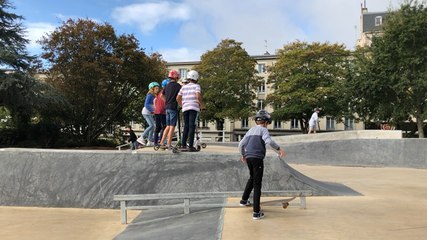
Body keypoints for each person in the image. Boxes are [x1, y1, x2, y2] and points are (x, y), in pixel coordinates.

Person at [238, 110, 286, 220]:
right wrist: (279, 149)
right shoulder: (263, 130)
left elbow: (241, 144)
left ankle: (244, 200)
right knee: (257, 183)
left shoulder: (250, 130)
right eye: (268, 123)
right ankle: (256, 212)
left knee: (252, 177)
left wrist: (243, 155)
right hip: (257, 158)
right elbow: (268, 141)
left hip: (248, 157)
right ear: (265, 122)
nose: (267, 126)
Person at [176, 70, 204, 152]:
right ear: (196, 78)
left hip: (185, 109)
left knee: (186, 126)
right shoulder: (197, 86)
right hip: (193, 108)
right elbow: (198, 96)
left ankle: (183, 145)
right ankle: (190, 146)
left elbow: (177, 98)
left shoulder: (183, 87)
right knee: (192, 126)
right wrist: (202, 105)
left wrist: (182, 105)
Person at [160, 70, 182, 149]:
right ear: (176, 77)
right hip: (173, 107)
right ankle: (169, 143)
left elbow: (161, 96)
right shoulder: (178, 86)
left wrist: (167, 101)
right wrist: (180, 104)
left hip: (167, 107)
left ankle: (162, 142)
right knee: (172, 126)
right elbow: (178, 97)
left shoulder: (167, 85)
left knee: (168, 126)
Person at [138, 82, 160, 146]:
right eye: (156, 88)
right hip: (146, 112)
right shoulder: (150, 95)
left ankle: (150, 141)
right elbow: (146, 104)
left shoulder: (154, 96)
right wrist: (153, 110)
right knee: (151, 125)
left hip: (149, 113)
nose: (157, 89)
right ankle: (141, 137)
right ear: (152, 89)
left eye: (158, 88)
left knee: (153, 127)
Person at [153, 79, 169, 146]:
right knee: (165, 127)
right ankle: (161, 141)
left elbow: (155, 100)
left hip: (157, 111)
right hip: (162, 112)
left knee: (158, 127)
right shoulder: (165, 92)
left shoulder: (160, 92)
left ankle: (156, 142)